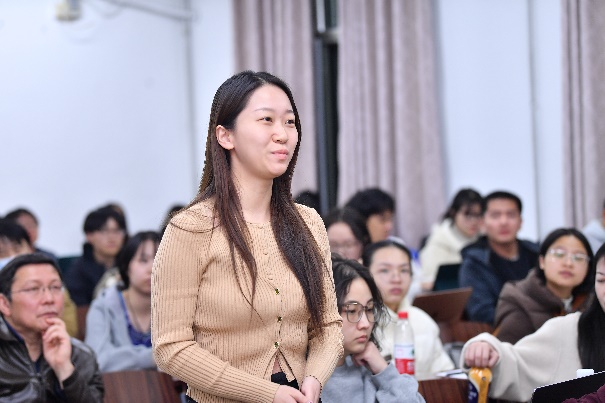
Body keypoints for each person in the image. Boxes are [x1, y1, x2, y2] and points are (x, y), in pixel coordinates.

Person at [152, 71, 343, 403]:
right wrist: (267, 394)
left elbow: (328, 327)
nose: (282, 134)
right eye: (266, 120)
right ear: (226, 136)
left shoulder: (309, 223)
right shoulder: (190, 228)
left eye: (290, 122)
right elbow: (171, 347)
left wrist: (314, 379)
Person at [461, 242, 605, 402]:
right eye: (601, 280)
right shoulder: (570, 328)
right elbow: (515, 365)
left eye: (578, 257)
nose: (568, 263)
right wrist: (486, 347)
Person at [0, 253, 103, 401]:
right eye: (33, 289)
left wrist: (65, 370)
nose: (49, 299)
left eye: (55, 287)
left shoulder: (82, 356)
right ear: (4, 304)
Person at [321, 255, 425, 403]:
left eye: (369, 309)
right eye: (351, 311)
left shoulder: (370, 369)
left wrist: (384, 371)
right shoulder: (298, 380)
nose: (365, 323)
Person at [362, 240, 454, 380]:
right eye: (385, 270)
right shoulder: (360, 323)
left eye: (404, 270)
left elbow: (445, 374)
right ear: (365, 274)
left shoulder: (423, 320)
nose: (396, 278)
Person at [494, 228, 593, 344]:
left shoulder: (593, 302)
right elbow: (507, 351)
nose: (568, 263)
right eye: (559, 254)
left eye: (579, 257)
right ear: (542, 261)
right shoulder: (518, 300)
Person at [458, 190, 538, 324]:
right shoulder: (474, 263)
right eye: (495, 216)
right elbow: (482, 314)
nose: (504, 222)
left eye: (511, 215)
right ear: (482, 222)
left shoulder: (536, 254)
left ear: (521, 221)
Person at [85, 231, 159, 372]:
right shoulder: (102, 307)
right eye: (143, 260)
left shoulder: (182, 306)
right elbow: (98, 360)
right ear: (126, 267)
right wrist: (153, 357)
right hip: (117, 386)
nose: (152, 268)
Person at [0, 219, 79, 337]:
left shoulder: (50, 280)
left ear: (30, 248)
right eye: (2, 253)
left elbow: (70, 327)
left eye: (17, 249)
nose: (12, 257)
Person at [64, 205, 127, 340]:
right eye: (104, 231)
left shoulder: (131, 265)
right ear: (89, 235)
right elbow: (82, 325)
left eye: (117, 231)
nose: (112, 237)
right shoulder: (77, 273)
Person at [419, 188, 483, 290]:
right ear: (454, 213)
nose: (474, 221)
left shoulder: (485, 239)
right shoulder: (438, 242)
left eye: (478, 215)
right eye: (468, 215)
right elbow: (427, 284)